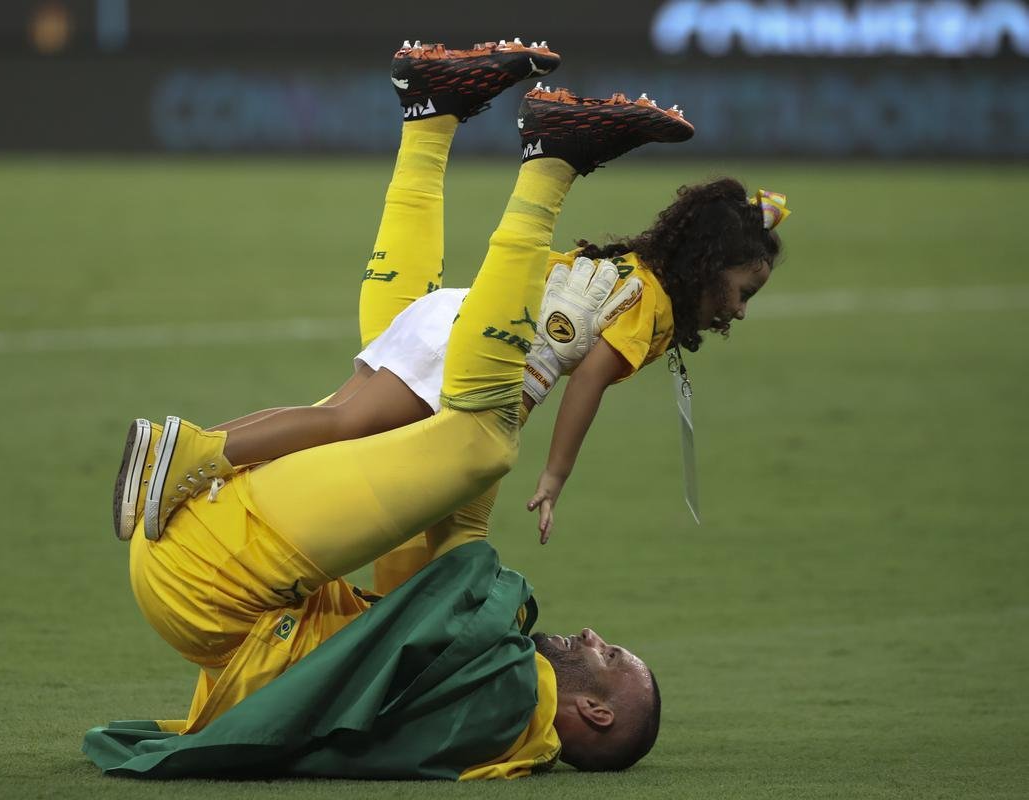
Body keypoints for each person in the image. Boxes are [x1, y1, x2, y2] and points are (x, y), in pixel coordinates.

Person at [91, 39, 682, 780]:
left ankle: (549, 163)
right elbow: (443, 573)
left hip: (220, 582)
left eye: (611, 656)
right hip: (213, 573)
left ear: (596, 713)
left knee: (479, 445)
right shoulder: (459, 693)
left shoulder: (506, 705)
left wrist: (536, 364)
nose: (596, 635)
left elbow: (476, 590)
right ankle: (430, 115)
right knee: (416, 404)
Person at [112, 40, 788, 548]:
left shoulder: (628, 264)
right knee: (344, 427)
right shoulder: (654, 308)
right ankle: (195, 455)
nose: (739, 307)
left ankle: (190, 455)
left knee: (339, 420)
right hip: (474, 353)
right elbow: (587, 386)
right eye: (739, 288)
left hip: (451, 315)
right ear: (707, 266)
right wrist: (555, 477)